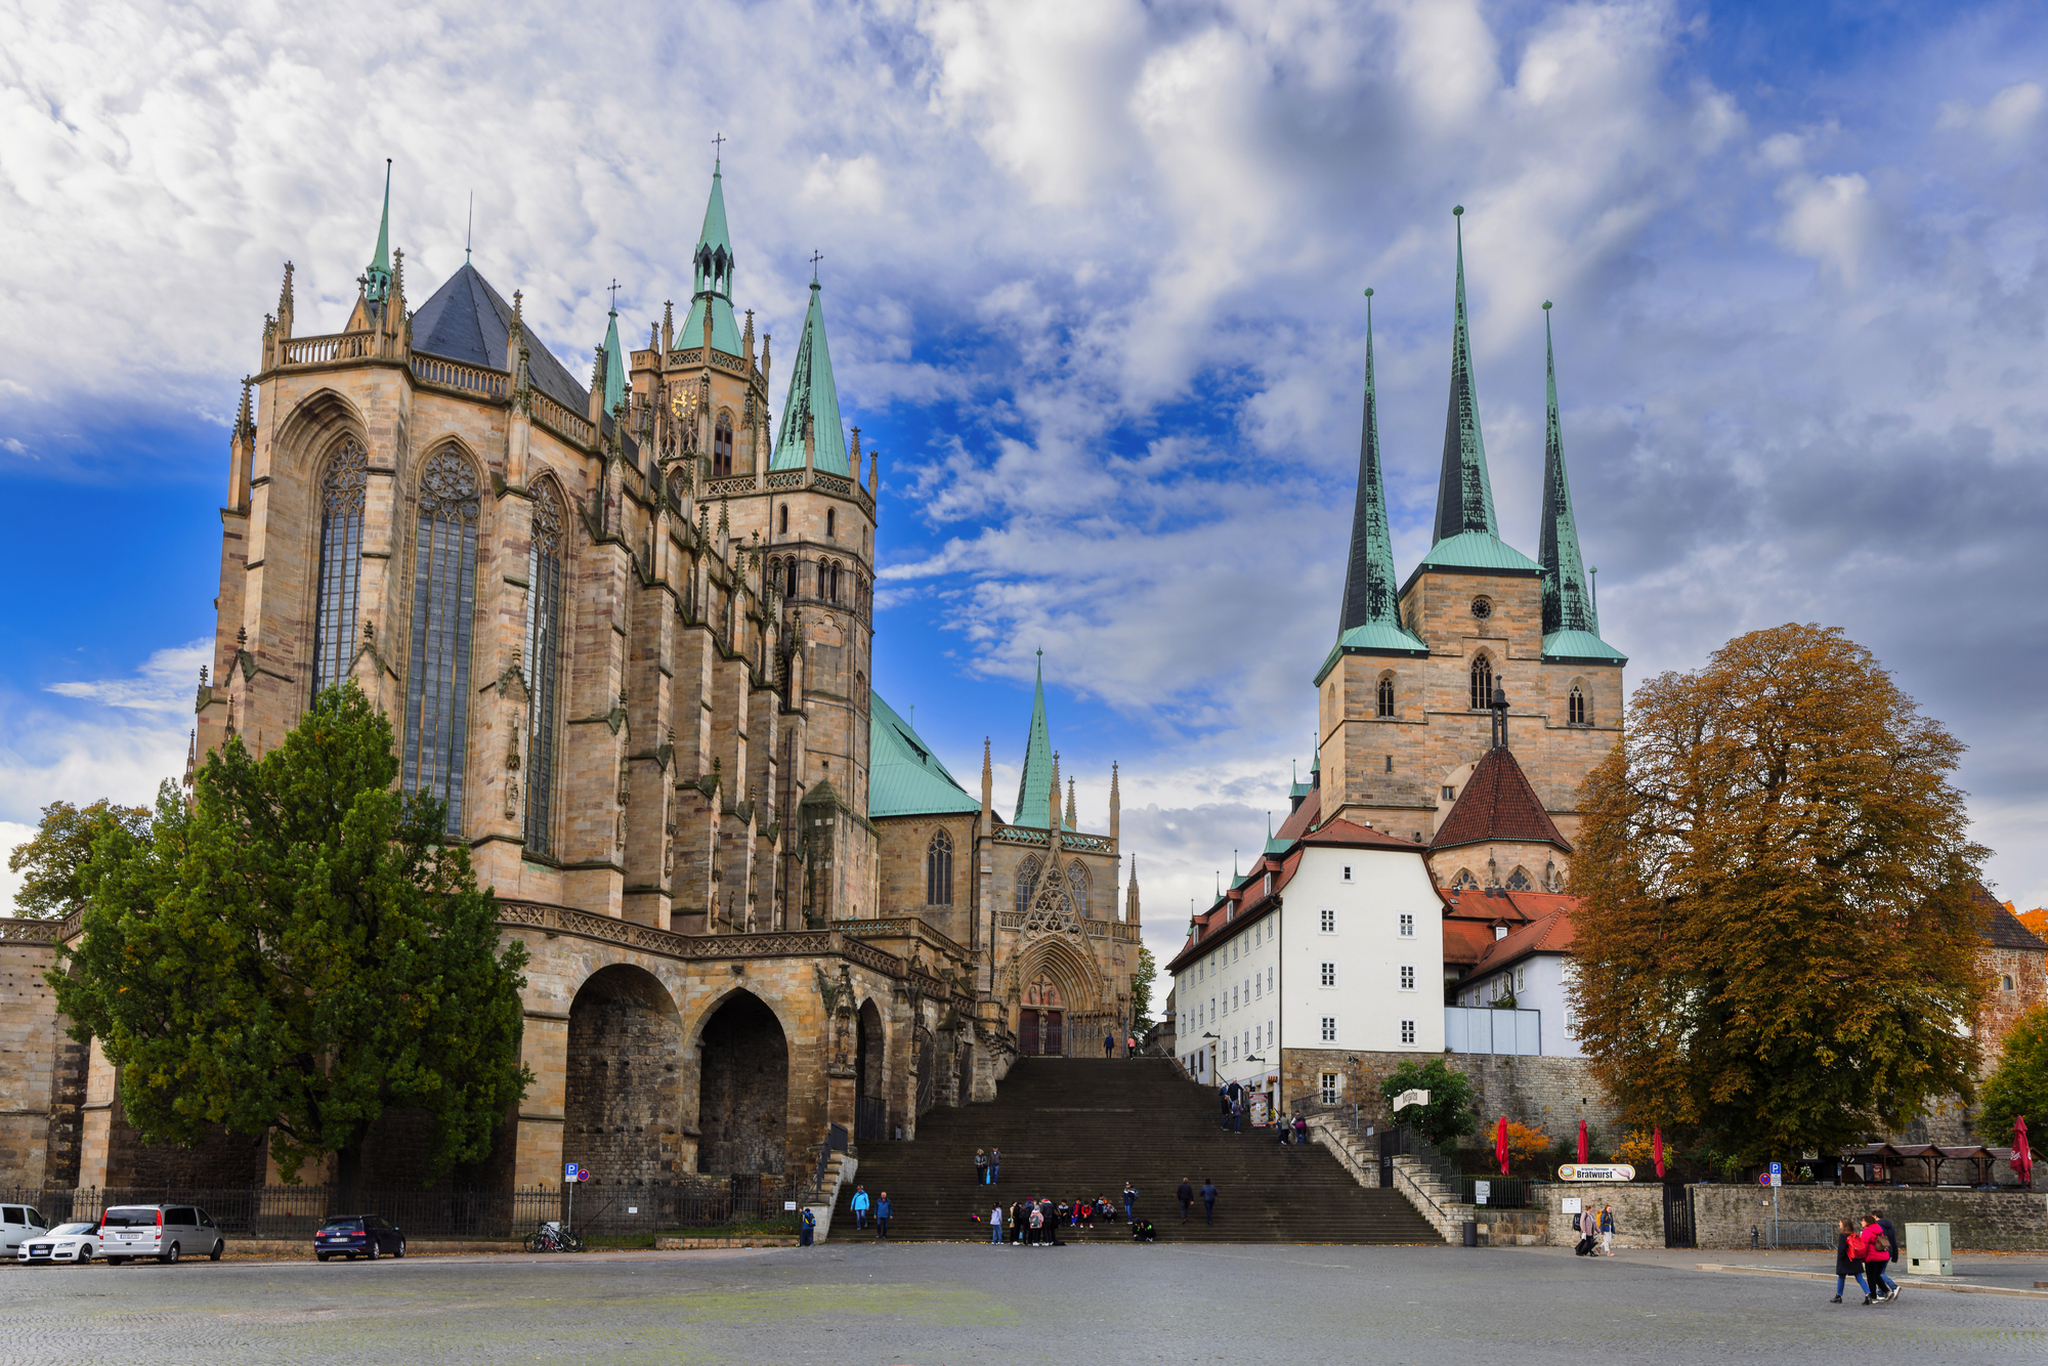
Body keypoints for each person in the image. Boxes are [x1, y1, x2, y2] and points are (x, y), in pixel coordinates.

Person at [1831, 1218, 1870, 1303]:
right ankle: (1868, 1294)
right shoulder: (1854, 1234)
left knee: (1841, 1277)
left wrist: (1840, 1260)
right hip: (1855, 1258)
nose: (1839, 1224)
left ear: (1844, 1225)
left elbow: (1842, 1249)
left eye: (1840, 1223)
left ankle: (1838, 1296)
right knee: (1859, 1277)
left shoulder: (1843, 1235)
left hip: (1845, 1259)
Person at [1862, 1213, 1898, 1303]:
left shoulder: (1867, 1231)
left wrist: (1861, 1257)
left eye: (1863, 1221)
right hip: (1883, 1256)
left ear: (1867, 1222)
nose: (1861, 1223)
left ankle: (1874, 1297)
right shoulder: (1878, 1229)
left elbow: (1864, 1246)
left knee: (1871, 1277)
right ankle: (1887, 1291)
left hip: (1872, 1257)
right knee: (1877, 1275)